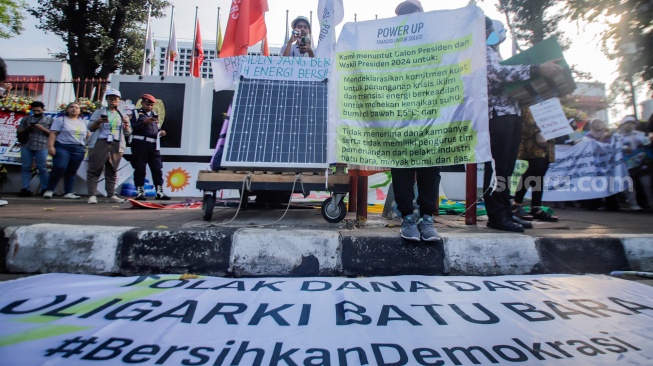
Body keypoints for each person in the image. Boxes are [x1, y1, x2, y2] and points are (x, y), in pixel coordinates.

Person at [484, 17, 564, 232]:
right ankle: (497, 216)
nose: (497, 34)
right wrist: (537, 70)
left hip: (511, 112)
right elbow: (498, 74)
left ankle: (505, 211)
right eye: (492, 29)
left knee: (507, 169)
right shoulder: (482, 51)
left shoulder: (495, 52)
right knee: (498, 168)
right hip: (496, 114)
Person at [388, 0, 441, 242]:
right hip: (401, 121)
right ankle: (408, 217)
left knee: (430, 168)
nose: (408, 18)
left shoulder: (436, 43)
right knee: (402, 170)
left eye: (413, 13)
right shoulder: (388, 45)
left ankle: (427, 218)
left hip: (430, 119)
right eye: (403, 14)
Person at [511, 109, 559, 222]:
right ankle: (516, 203)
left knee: (541, 171)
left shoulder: (549, 97)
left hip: (549, 136)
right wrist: (537, 131)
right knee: (535, 167)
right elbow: (527, 114)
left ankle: (536, 207)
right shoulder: (532, 96)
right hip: (533, 138)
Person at [86, 89, 131, 204]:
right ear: (106, 99)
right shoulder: (99, 111)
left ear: (119, 100)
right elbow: (90, 127)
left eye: (115, 99)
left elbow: (128, 132)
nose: (113, 101)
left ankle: (111, 194)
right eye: (110, 98)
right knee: (95, 169)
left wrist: (126, 125)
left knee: (112, 170)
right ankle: (92, 195)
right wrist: (98, 122)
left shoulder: (122, 114)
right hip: (100, 142)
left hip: (116, 143)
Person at [42, 103, 89, 199]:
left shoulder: (83, 122)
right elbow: (53, 133)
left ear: (80, 111)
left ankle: (69, 192)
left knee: (72, 171)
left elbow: (88, 135)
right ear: (67, 110)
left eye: (77, 108)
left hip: (79, 149)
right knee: (59, 167)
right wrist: (51, 146)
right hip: (63, 147)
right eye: (71, 107)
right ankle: (50, 190)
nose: (74, 109)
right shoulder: (61, 120)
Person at [130, 93, 170, 200]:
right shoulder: (136, 113)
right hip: (140, 144)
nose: (150, 107)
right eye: (147, 104)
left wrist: (160, 132)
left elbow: (155, 128)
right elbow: (131, 128)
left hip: (154, 144)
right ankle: (140, 191)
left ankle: (159, 191)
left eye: (151, 105)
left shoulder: (154, 114)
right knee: (140, 168)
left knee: (157, 168)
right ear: (142, 103)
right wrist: (144, 122)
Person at [16, 101, 52, 197]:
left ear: (43, 110)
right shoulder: (26, 119)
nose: (36, 112)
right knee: (26, 167)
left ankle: (45, 188)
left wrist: (41, 128)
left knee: (42, 168)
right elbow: (19, 131)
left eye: (38, 110)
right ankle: (25, 188)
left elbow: (53, 134)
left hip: (42, 146)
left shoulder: (49, 120)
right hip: (27, 145)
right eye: (34, 110)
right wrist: (28, 128)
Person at [618, 115, 653, 209]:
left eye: (631, 123)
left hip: (641, 162)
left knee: (647, 184)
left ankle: (651, 202)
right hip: (626, 164)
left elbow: (647, 144)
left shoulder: (640, 134)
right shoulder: (618, 137)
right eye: (627, 123)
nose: (629, 126)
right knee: (629, 185)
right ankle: (633, 203)